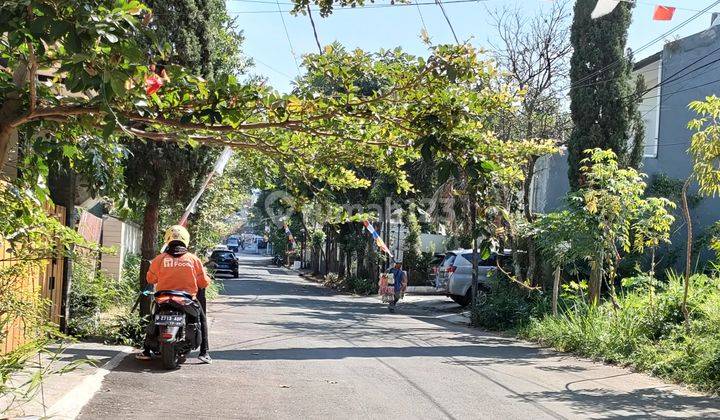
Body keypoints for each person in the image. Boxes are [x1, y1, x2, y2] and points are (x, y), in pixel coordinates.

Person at [135, 225, 213, 364]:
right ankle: (204, 352)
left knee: (153, 318)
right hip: (186, 300)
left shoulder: (159, 259)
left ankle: (146, 350)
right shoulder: (193, 259)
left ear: (167, 240)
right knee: (202, 318)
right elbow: (203, 283)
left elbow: (151, 279)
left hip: (163, 298)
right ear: (186, 240)